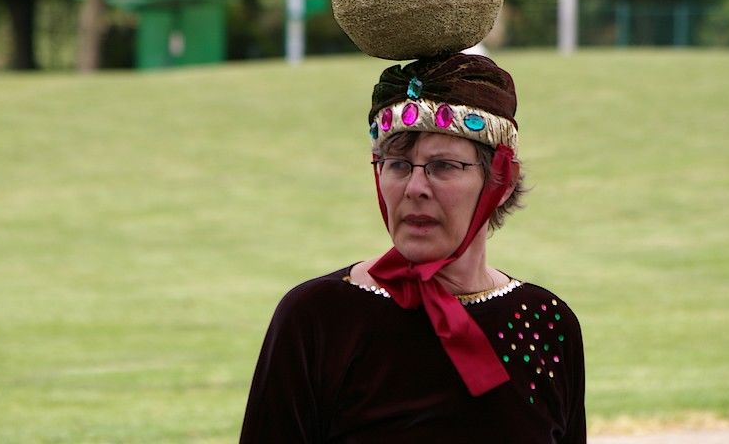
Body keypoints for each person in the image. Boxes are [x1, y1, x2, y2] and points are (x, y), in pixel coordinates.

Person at [240, 56, 586, 443]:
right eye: (399, 165)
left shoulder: (545, 323)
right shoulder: (319, 317)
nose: (414, 188)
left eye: (443, 166)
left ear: (502, 180)